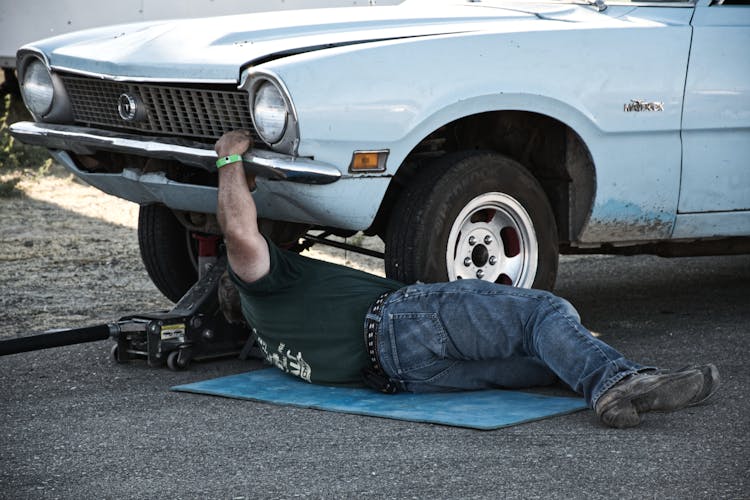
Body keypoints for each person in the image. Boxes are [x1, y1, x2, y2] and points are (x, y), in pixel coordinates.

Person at [215, 130, 719, 429]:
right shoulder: (262, 287)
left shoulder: (273, 344)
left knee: (547, 361)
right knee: (542, 312)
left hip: (408, 377)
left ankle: (616, 382)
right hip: (404, 321)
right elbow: (239, 233)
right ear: (241, 287)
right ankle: (620, 383)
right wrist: (230, 158)